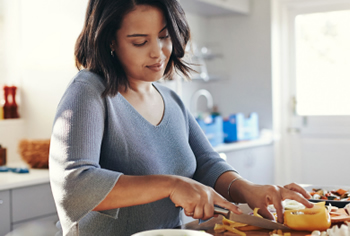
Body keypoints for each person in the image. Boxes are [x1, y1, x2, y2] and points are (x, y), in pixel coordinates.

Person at [49, 0, 313, 235]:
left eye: (164, 36)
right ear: (110, 41)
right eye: (140, 41)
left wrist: (248, 189)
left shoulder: (171, 100)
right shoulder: (89, 91)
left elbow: (207, 164)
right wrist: (171, 185)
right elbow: (74, 184)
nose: (158, 52)